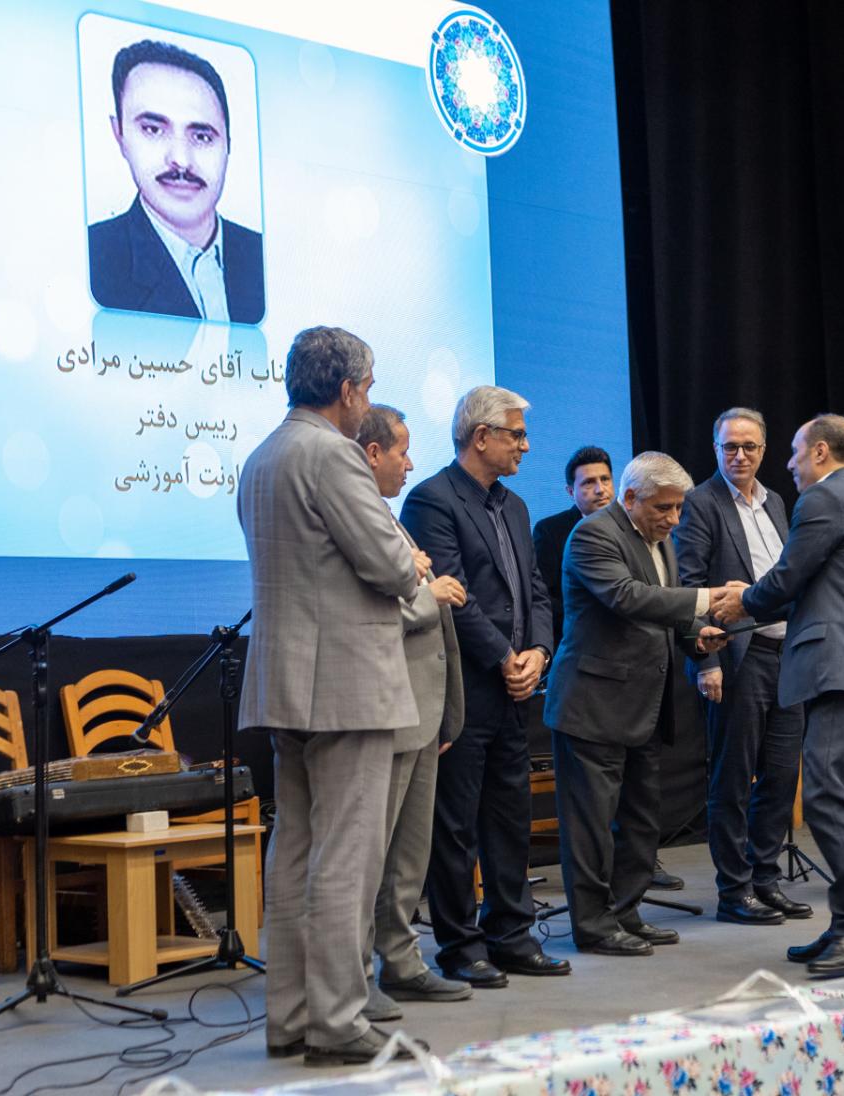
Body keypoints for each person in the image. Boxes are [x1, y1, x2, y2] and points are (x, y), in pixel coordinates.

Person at [237, 327, 427, 1064]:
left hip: (286, 684)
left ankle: (289, 1019)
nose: (368, 400)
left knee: (294, 851)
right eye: (367, 387)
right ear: (346, 391)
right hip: (346, 685)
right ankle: (340, 1023)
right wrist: (411, 560)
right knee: (347, 856)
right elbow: (389, 566)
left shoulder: (261, 457)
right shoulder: (334, 454)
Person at [401, 385, 569, 988]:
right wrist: (504, 656)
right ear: (481, 437)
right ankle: (459, 946)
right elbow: (451, 596)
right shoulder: (431, 500)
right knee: (455, 824)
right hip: (462, 686)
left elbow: (537, 590)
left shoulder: (515, 506)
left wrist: (539, 652)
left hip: (515, 688)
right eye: (516, 434)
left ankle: (512, 936)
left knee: (510, 816)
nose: (526, 445)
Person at [724, 413, 844, 978]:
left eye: (796, 452)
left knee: (825, 794)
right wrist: (753, 600)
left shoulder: (823, 499)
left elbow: (788, 577)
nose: (790, 463)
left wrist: (742, 600)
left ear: (821, 452)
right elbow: (813, 585)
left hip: (839, 668)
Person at [543, 453, 730, 955]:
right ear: (630, 498)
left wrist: (698, 637)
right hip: (593, 706)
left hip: (644, 705)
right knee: (591, 827)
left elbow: (667, 612)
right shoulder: (593, 534)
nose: (674, 519)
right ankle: (593, 927)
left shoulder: (659, 538)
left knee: (641, 820)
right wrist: (708, 599)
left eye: (678, 508)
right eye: (664, 508)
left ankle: (626, 914)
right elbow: (628, 598)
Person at [352, 405, 476, 1020]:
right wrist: (432, 594)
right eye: (402, 450)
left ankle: (401, 962)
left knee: (409, 854)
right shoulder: (359, 517)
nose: (409, 462)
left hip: (422, 710)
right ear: (373, 452)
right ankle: (356, 977)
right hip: (387, 708)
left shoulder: (388, 517)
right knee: (372, 855)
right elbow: (370, 613)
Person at [672, 408, 812, 927]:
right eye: (730, 446)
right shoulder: (701, 502)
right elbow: (689, 585)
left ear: (764, 450)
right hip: (736, 657)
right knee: (732, 779)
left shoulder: (776, 501)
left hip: (786, 655)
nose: (739, 455)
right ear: (716, 449)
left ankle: (765, 881)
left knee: (781, 774)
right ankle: (734, 891)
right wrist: (705, 661)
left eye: (749, 446)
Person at [88, 39, 266, 324]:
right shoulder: (92, 257)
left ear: (228, 144)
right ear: (119, 134)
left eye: (202, 136)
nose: (181, 160)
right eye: (153, 130)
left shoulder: (268, 256)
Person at [532, 446, 616, 646]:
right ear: (571, 492)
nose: (600, 489)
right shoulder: (550, 530)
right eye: (589, 482)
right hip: (575, 641)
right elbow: (543, 597)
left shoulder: (631, 526)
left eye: (605, 479)